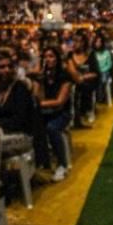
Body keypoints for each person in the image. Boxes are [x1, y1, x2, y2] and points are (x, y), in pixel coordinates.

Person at [35, 45, 73, 181]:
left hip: (62, 114)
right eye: (45, 57)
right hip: (45, 112)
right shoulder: (43, 76)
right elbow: (36, 96)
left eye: (51, 56)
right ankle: (42, 162)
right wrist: (39, 80)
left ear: (57, 58)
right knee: (33, 126)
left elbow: (60, 102)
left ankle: (62, 164)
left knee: (51, 128)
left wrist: (39, 104)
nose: (48, 60)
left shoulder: (64, 76)